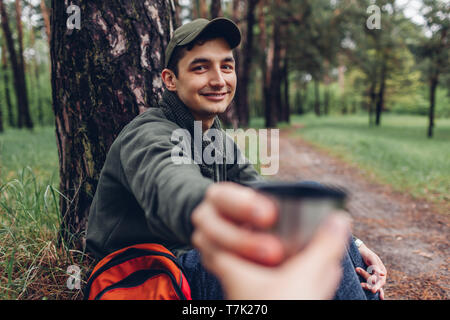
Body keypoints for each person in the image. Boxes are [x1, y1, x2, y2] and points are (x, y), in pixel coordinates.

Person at [85, 17, 386, 300]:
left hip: (195, 258)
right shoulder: (148, 133)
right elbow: (169, 181)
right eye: (201, 68)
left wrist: (354, 242)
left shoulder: (213, 135)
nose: (218, 80)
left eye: (226, 67)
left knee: (318, 212)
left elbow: (259, 192)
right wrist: (205, 206)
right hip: (151, 272)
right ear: (170, 80)